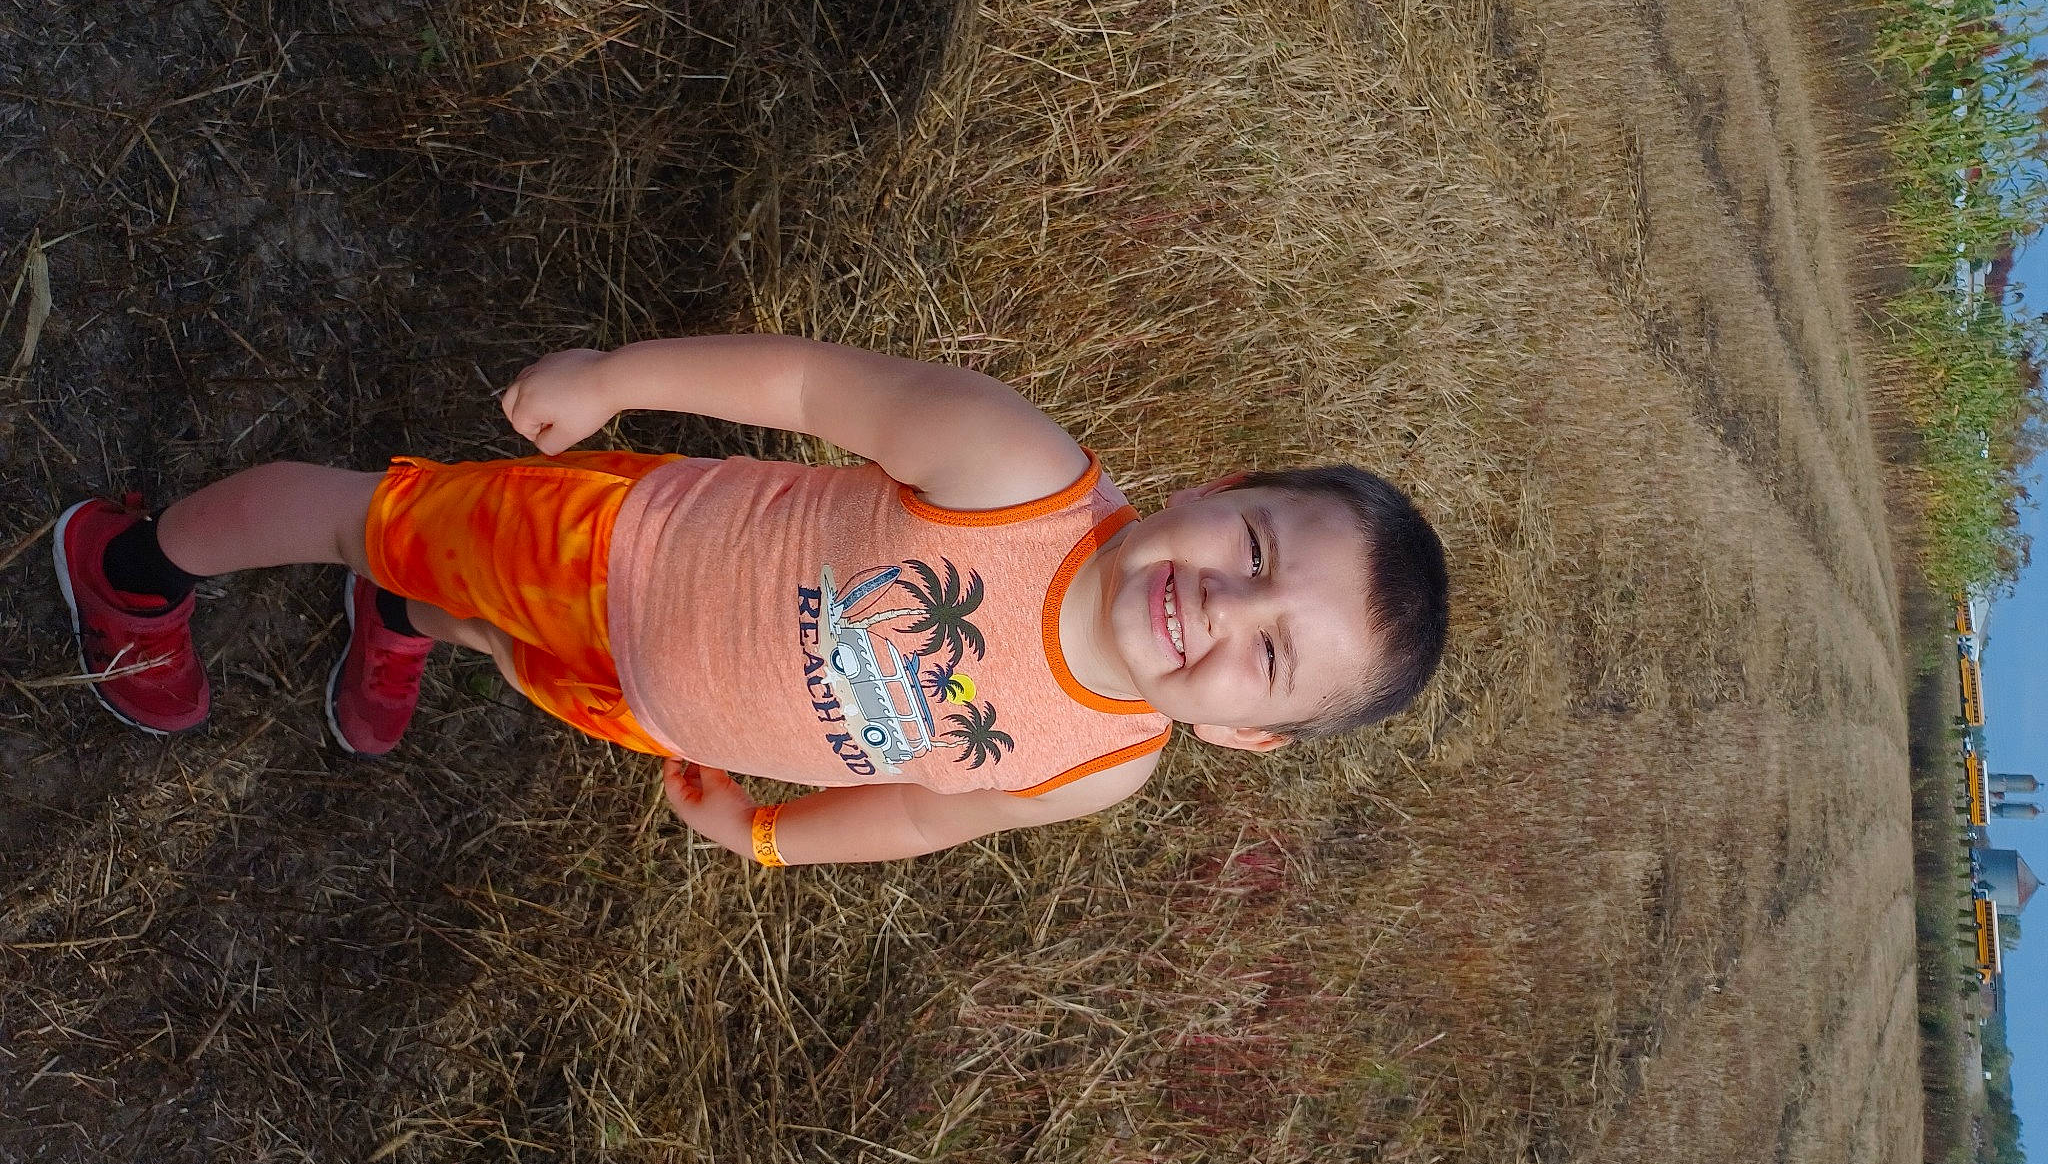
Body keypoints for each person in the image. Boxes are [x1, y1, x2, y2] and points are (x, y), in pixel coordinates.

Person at [52, 336, 1448, 865]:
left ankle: (411, 623)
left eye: (1269, 659)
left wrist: (775, 839)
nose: (1219, 605)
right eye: (1256, 550)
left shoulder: (1102, 768)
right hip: (610, 549)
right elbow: (806, 386)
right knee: (367, 517)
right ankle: (132, 570)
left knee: (497, 643)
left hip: (651, 699)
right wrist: (615, 379)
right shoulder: (1021, 475)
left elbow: (925, 811)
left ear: (1243, 738)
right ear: (1220, 486)